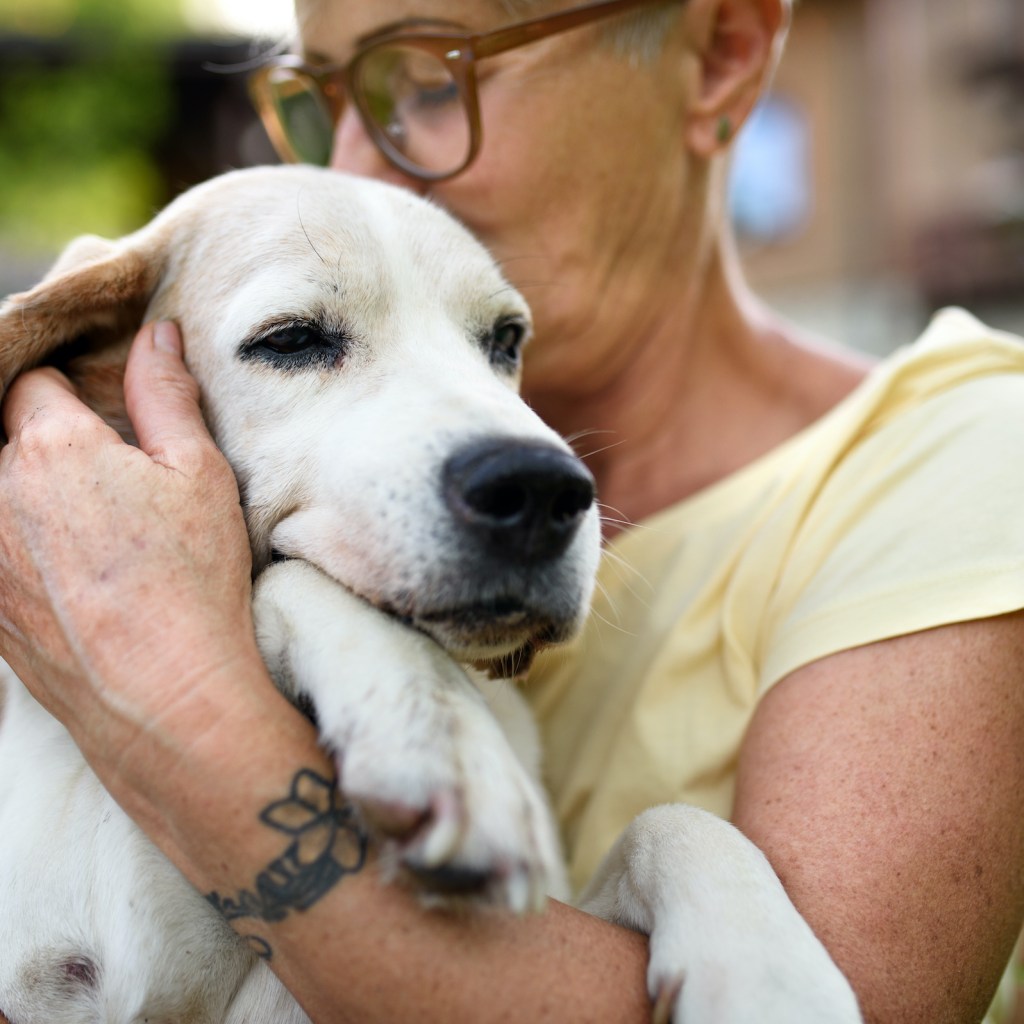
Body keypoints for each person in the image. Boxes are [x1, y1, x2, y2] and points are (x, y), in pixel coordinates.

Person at [2, 0, 1023, 1021]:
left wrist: (165, 678)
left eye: (435, 79)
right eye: (319, 99)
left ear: (719, 51)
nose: (356, 163)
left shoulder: (960, 454)